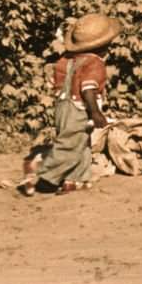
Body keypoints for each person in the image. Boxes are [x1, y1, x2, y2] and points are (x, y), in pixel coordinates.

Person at [18, 12, 121, 196]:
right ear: (103, 46)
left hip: (62, 106)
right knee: (70, 146)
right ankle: (39, 169)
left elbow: (55, 82)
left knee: (82, 143)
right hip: (80, 108)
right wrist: (96, 113)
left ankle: (74, 180)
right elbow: (88, 89)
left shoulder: (65, 60)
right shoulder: (95, 63)